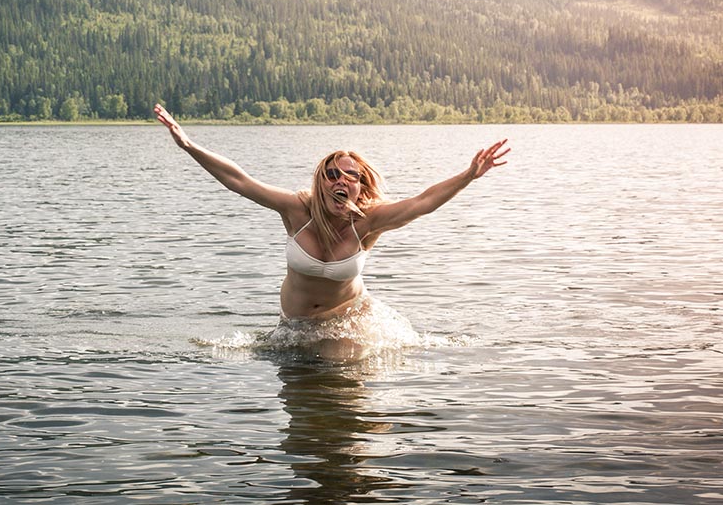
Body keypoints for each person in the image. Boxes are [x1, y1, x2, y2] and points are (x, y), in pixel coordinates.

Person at [153, 103, 509, 357]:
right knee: (299, 403)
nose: (341, 180)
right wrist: (187, 145)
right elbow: (239, 180)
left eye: (350, 176)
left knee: (338, 373)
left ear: (361, 186)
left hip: (348, 319)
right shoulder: (296, 210)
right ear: (321, 182)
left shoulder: (368, 223)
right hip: (293, 326)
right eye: (332, 174)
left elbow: (422, 202)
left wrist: (467, 176)